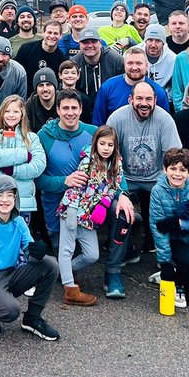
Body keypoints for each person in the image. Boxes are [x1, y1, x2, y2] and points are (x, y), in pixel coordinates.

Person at [105, 82, 182, 291]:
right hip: (125, 177)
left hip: (156, 177)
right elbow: (109, 157)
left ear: (156, 101)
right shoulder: (117, 119)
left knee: (170, 204)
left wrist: (168, 189)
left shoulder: (165, 119)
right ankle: (114, 269)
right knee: (120, 211)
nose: (144, 103)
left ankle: (168, 258)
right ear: (131, 100)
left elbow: (173, 157)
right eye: (139, 98)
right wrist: (120, 191)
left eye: (149, 99)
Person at [0, 175, 61, 341]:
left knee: (50, 264)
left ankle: (32, 318)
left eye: (9, 195)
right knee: (10, 312)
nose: (5, 200)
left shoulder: (19, 223)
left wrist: (37, 252)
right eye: (0, 195)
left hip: (10, 274)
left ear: (15, 199)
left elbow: (29, 252)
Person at [55, 125, 124, 306]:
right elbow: (77, 186)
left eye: (110, 144)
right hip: (73, 209)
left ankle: (64, 271)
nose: (106, 148)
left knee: (92, 254)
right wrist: (71, 209)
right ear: (95, 144)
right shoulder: (88, 161)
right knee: (66, 249)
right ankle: (70, 290)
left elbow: (114, 187)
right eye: (102, 143)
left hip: (90, 216)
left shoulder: (116, 164)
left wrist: (104, 203)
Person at [149, 147, 189, 309]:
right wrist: (164, 262)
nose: (177, 174)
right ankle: (172, 276)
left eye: (183, 170)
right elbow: (158, 228)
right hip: (172, 241)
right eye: (173, 169)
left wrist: (180, 223)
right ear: (165, 169)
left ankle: (179, 274)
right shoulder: (157, 191)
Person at [36, 90, 97, 245]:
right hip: (55, 205)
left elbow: (113, 164)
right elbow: (37, 180)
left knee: (89, 254)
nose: (70, 113)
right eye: (65, 108)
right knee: (62, 255)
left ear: (81, 109)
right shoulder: (44, 136)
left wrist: (123, 194)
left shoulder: (94, 133)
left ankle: (113, 266)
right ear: (57, 110)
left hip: (86, 205)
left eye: (74, 108)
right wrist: (65, 181)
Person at [0, 96, 47, 221]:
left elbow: (38, 165)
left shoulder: (31, 138)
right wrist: (24, 155)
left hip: (23, 202)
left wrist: (12, 170)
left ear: (22, 114)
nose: (11, 115)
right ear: (2, 113)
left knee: (21, 236)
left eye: (16, 111)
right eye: (7, 111)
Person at [92, 47, 170, 126]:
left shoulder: (158, 92)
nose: (134, 67)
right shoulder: (107, 88)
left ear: (147, 66)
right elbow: (98, 123)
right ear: (124, 65)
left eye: (139, 63)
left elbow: (164, 124)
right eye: (130, 63)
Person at [71, 28, 122, 121]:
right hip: (83, 113)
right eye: (85, 42)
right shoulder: (74, 63)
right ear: (79, 45)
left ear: (100, 43)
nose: (90, 45)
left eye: (93, 41)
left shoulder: (116, 60)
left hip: (111, 111)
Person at [15, 21, 67, 88]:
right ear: (43, 33)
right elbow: (17, 74)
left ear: (61, 36)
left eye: (55, 33)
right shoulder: (26, 49)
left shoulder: (62, 59)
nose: (52, 36)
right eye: (49, 32)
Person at [142, 24, 177, 90]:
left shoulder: (172, 59)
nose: (153, 45)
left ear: (163, 43)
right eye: (150, 40)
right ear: (145, 41)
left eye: (158, 41)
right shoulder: (135, 53)